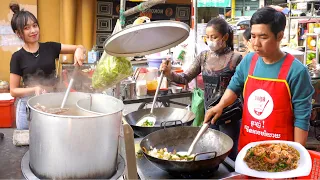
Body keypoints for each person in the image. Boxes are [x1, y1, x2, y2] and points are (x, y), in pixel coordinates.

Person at [204, 7, 314, 152]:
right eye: (253, 36)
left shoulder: (297, 71)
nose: (255, 43)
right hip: (248, 145)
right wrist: (220, 105)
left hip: (281, 150)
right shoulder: (249, 61)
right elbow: (234, 86)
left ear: (279, 36)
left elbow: (302, 117)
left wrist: (297, 154)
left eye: (263, 37)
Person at [160, 17, 242, 160]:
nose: (210, 40)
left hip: (230, 115)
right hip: (209, 114)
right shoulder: (203, 57)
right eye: (207, 37)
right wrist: (169, 73)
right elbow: (184, 78)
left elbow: (241, 88)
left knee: (229, 155)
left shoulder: (236, 58)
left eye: (214, 37)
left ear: (225, 37)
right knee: (211, 152)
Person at [9, 3, 86, 130]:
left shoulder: (50, 47)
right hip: (28, 107)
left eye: (35, 25)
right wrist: (35, 88)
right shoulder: (17, 57)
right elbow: (13, 91)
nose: (33, 30)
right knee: (27, 146)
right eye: (27, 28)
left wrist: (79, 50)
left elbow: (80, 47)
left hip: (52, 102)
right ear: (18, 33)